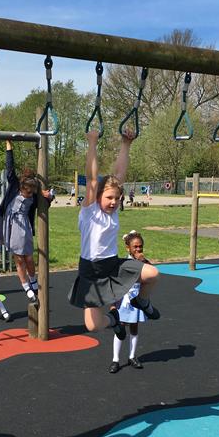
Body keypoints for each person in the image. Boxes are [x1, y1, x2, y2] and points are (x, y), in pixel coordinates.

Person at [69, 128, 160, 339]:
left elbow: (119, 174)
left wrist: (126, 144)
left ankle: (142, 302)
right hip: (90, 272)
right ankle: (113, 321)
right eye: (109, 197)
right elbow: (92, 178)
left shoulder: (113, 211)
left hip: (112, 264)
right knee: (92, 326)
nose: (113, 202)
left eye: (117, 198)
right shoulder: (90, 211)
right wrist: (92, 141)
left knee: (153, 274)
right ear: (98, 195)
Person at [0, 140, 51, 307]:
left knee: (27, 256)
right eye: (26, 193)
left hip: (23, 226)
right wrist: (8, 148)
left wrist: (49, 197)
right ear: (21, 188)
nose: (28, 196)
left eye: (30, 194)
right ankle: (26, 286)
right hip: (9, 224)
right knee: (18, 259)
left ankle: (33, 280)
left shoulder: (34, 196)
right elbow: (10, 168)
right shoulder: (14, 185)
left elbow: (44, 206)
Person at [109, 230, 150, 374]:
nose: (138, 249)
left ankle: (132, 356)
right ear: (128, 248)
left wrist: (143, 261)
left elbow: (152, 274)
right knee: (120, 327)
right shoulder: (124, 263)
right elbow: (116, 283)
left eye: (140, 247)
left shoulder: (144, 263)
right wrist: (113, 303)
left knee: (134, 326)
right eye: (135, 247)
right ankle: (115, 359)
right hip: (124, 299)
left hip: (137, 299)